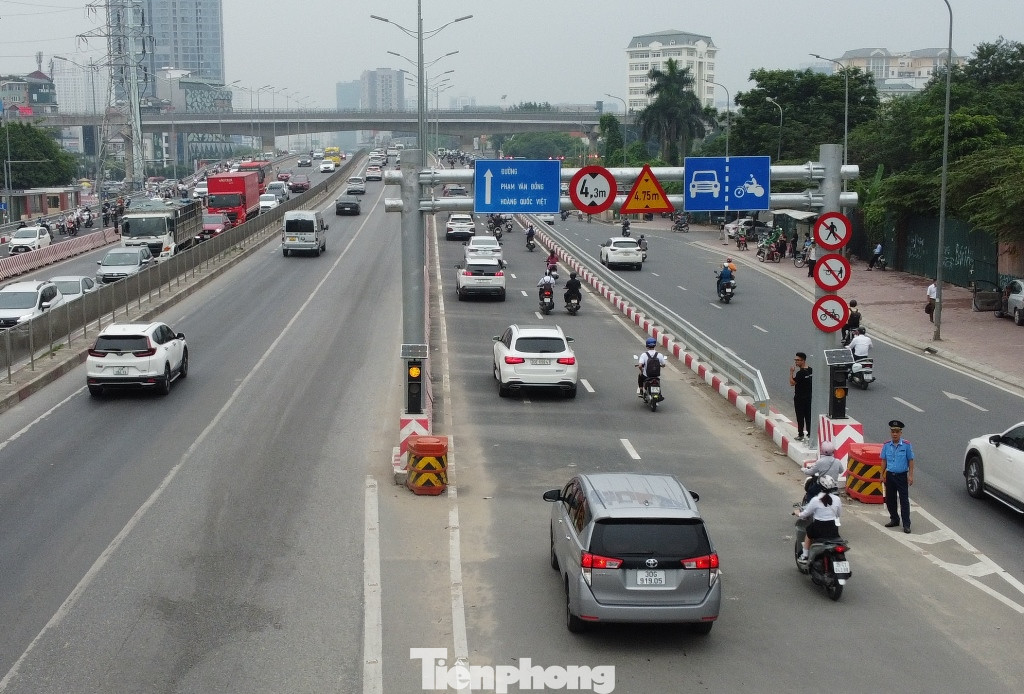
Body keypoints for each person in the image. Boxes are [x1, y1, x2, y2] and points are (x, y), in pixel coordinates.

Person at [793, 475, 842, 562]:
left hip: (818, 527)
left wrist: (798, 513)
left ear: (819, 486)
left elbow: (805, 514)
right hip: (833, 528)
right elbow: (838, 514)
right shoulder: (837, 499)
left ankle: (804, 556)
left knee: (808, 535)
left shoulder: (815, 500)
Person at [880, 420, 915, 533]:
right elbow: (884, 460)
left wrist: (910, 475)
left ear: (901, 433)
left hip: (901, 476)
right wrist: (882, 474)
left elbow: (910, 460)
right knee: (890, 500)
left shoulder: (906, 445)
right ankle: (894, 519)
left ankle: (906, 524)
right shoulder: (886, 445)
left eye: (897, 431)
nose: (894, 434)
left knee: (904, 501)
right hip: (890, 476)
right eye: (892, 431)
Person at [789, 352, 812, 442]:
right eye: (795, 360)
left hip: (799, 398)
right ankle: (810, 433)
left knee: (800, 417)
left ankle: (801, 434)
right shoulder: (811, 370)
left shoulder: (800, 373)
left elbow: (792, 383)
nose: (796, 362)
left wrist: (791, 373)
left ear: (803, 360)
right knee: (808, 416)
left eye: (798, 360)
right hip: (809, 397)